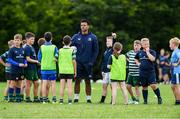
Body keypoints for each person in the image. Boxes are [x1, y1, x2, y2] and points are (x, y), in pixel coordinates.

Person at [72, 19, 99, 103]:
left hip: (88, 63)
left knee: (88, 81)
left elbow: (96, 51)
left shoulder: (93, 37)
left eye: (84, 25)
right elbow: (70, 48)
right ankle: (76, 98)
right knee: (77, 80)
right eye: (81, 25)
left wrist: (92, 61)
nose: (82, 27)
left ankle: (88, 99)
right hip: (78, 63)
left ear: (88, 26)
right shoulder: (76, 37)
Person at [135, 38, 162, 104]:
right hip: (142, 72)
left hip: (150, 72)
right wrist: (138, 63)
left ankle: (159, 97)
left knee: (153, 85)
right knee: (144, 86)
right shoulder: (140, 52)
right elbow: (136, 58)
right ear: (142, 45)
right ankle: (145, 101)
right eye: (145, 44)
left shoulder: (152, 52)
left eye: (148, 44)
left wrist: (147, 52)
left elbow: (153, 59)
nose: (147, 45)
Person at [38, 32, 58, 103]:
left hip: (44, 68)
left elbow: (39, 59)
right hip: (52, 68)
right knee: (53, 83)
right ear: (51, 38)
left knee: (44, 83)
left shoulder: (41, 47)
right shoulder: (54, 47)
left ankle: (44, 99)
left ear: (44, 38)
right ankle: (54, 98)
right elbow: (57, 56)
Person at [8, 34, 27, 102]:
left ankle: (18, 98)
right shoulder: (12, 49)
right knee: (13, 83)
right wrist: (18, 64)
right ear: (13, 41)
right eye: (15, 40)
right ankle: (10, 98)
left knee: (19, 83)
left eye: (18, 40)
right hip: (14, 70)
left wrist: (25, 63)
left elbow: (24, 58)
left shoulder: (23, 49)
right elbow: (9, 60)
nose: (16, 41)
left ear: (21, 41)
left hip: (21, 70)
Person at [58, 35, 77, 104]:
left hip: (62, 70)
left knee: (62, 86)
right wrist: (75, 71)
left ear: (63, 42)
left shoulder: (59, 50)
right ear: (70, 42)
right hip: (70, 70)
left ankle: (61, 100)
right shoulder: (72, 50)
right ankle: (69, 101)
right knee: (69, 86)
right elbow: (74, 61)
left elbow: (56, 59)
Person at [24, 32, 40, 102]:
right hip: (29, 68)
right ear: (27, 39)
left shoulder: (31, 47)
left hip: (34, 68)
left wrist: (37, 62)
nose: (33, 41)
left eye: (33, 39)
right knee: (29, 83)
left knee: (36, 83)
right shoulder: (27, 47)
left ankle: (36, 98)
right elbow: (27, 59)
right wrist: (36, 61)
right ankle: (27, 98)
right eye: (31, 39)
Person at [99, 36, 113, 103]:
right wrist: (102, 70)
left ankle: (112, 100)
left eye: (109, 41)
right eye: (107, 41)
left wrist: (114, 38)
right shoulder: (106, 51)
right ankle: (102, 101)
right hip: (105, 72)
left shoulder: (113, 50)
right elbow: (103, 61)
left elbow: (116, 43)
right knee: (104, 86)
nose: (107, 42)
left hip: (111, 71)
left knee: (112, 87)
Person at [169, 37, 180, 105]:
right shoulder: (174, 52)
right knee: (172, 86)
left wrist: (177, 64)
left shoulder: (177, 51)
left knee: (176, 86)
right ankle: (177, 99)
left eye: (170, 44)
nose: (169, 45)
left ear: (173, 44)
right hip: (174, 71)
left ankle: (178, 101)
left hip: (177, 71)